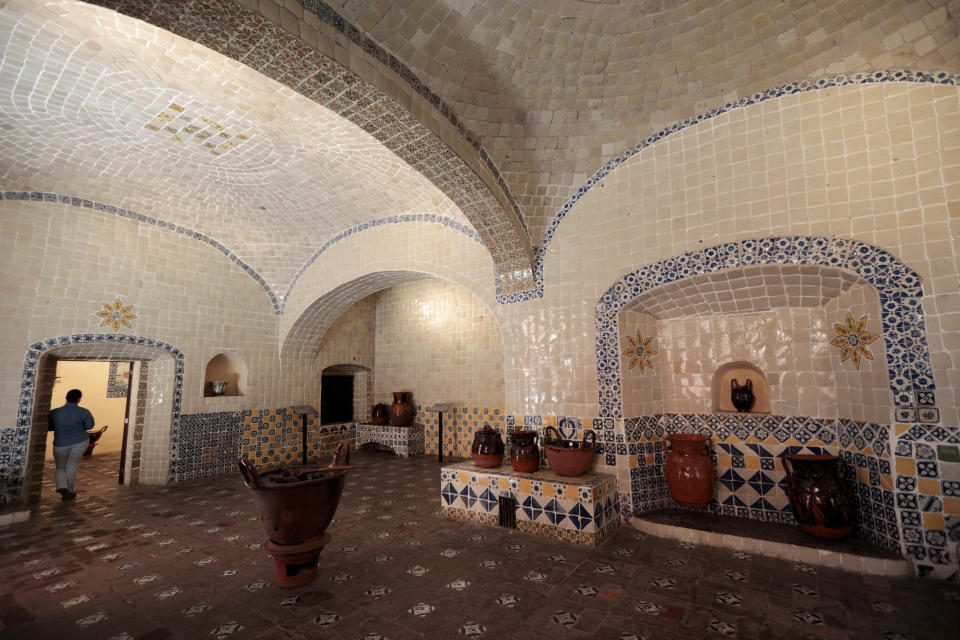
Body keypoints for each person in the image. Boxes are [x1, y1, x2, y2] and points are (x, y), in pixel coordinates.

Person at [48, 388, 95, 500]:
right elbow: (89, 426)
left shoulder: (54, 412)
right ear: (79, 399)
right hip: (80, 441)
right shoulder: (84, 412)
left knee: (60, 467)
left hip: (60, 443)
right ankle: (70, 489)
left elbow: (49, 427)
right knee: (72, 465)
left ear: (66, 398)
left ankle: (61, 486)